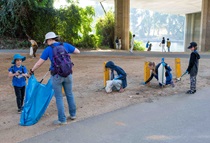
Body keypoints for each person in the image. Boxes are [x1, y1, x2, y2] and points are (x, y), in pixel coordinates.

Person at [29, 32, 80, 125]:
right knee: (69, 94)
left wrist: (32, 70)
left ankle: (62, 120)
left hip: (56, 76)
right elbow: (77, 51)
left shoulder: (48, 49)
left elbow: (39, 63)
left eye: (47, 41)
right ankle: (73, 115)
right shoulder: (65, 45)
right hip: (68, 74)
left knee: (59, 97)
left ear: (49, 40)